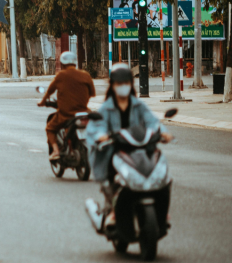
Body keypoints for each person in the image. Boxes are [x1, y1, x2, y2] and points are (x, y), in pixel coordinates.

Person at [86, 63, 172, 227]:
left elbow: (152, 122)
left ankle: (161, 210)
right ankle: (113, 209)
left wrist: (163, 132)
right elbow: (97, 127)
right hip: (114, 150)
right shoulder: (106, 108)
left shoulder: (139, 105)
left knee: (163, 176)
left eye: (126, 83)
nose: (123, 86)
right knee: (113, 178)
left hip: (139, 149)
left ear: (131, 84)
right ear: (112, 85)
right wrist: (101, 136)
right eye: (119, 83)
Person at [38, 50, 96, 160]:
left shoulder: (61, 76)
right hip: (84, 112)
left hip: (66, 114)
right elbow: (92, 94)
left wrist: (42, 102)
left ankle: (56, 151)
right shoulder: (85, 75)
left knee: (50, 128)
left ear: (62, 64)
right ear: (75, 63)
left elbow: (49, 91)